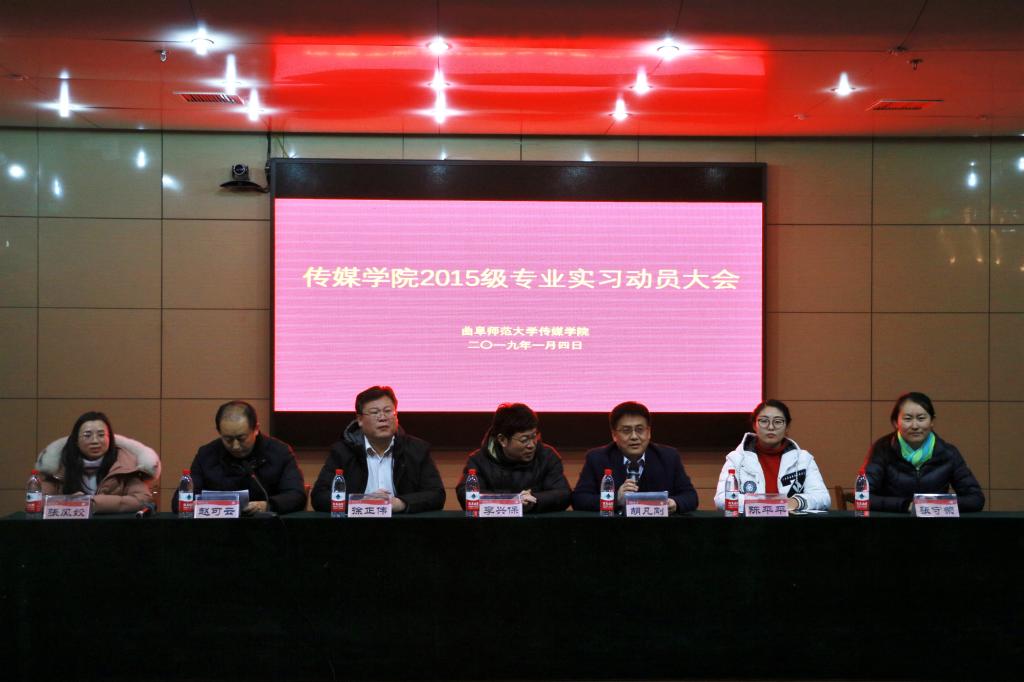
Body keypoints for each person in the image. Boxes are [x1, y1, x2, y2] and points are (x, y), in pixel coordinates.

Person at [311, 386, 445, 513]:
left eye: (388, 411)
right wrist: (362, 502)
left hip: (403, 525)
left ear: (396, 416)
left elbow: (436, 494)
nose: (383, 418)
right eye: (375, 412)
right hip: (356, 525)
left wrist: (400, 503)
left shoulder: (417, 450)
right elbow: (319, 496)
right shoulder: (343, 451)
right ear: (360, 419)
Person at [172, 401, 306, 514]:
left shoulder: (279, 452)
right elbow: (179, 501)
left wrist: (267, 505)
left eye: (241, 438)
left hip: (266, 529)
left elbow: (297, 496)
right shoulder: (207, 455)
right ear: (219, 432)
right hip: (217, 530)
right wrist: (192, 505)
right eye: (228, 439)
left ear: (256, 429)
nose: (235, 446)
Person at [865, 391, 984, 513]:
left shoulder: (948, 453)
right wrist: (905, 505)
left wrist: (932, 505)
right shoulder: (882, 449)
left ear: (932, 421)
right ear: (896, 422)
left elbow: (976, 499)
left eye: (921, 418)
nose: (915, 426)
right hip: (892, 523)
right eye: (908, 419)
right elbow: (862, 497)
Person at [572, 401, 698, 513]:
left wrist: (674, 503)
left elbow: (690, 496)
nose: (634, 437)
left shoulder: (669, 457)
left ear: (649, 432)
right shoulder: (597, 458)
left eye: (640, 429)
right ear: (614, 435)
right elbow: (579, 499)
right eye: (626, 430)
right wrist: (615, 499)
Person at [713, 399, 830, 512]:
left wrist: (796, 502)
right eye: (764, 421)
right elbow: (722, 499)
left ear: (787, 427)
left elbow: (823, 498)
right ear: (754, 425)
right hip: (750, 524)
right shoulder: (736, 458)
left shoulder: (803, 459)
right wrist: (765, 503)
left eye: (778, 422)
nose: (771, 427)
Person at [35, 411, 161, 514]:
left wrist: (92, 503)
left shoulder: (124, 465)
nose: (95, 441)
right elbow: (37, 503)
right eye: (87, 435)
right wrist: (70, 502)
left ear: (110, 439)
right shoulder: (60, 466)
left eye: (101, 435)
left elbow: (142, 499)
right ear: (76, 441)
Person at [455, 403, 570, 513]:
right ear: (502, 440)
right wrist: (512, 501)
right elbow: (466, 495)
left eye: (534, 436)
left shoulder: (547, 456)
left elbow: (563, 494)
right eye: (524, 440)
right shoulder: (478, 461)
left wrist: (533, 499)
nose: (532, 445)